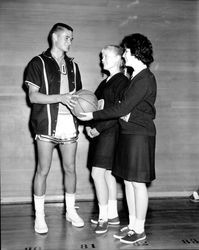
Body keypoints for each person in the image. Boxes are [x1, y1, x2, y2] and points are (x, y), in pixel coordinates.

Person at [79, 33, 157, 244]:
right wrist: (124, 113)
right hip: (130, 133)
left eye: (126, 51)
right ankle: (132, 225)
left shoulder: (145, 77)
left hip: (141, 134)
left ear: (134, 52)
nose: (124, 54)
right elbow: (127, 108)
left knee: (138, 184)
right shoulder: (136, 76)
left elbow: (124, 107)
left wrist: (92, 116)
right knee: (130, 182)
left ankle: (139, 229)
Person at [24, 23, 84, 234]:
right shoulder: (38, 62)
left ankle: (70, 211)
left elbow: (78, 99)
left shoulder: (74, 66)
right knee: (43, 170)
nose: (70, 41)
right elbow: (33, 97)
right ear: (54, 37)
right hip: (47, 122)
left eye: (71, 38)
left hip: (69, 123)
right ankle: (40, 217)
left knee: (70, 169)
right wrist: (61, 98)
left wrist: (88, 112)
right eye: (67, 37)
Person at [86, 45, 129, 234]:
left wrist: (97, 127)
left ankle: (103, 217)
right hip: (101, 132)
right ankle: (112, 215)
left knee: (97, 174)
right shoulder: (105, 82)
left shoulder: (122, 82)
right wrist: (88, 122)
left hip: (110, 133)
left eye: (106, 56)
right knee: (108, 175)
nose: (102, 59)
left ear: (120, 59)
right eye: (102, 56)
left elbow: (118, 113)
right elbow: (94, 105)